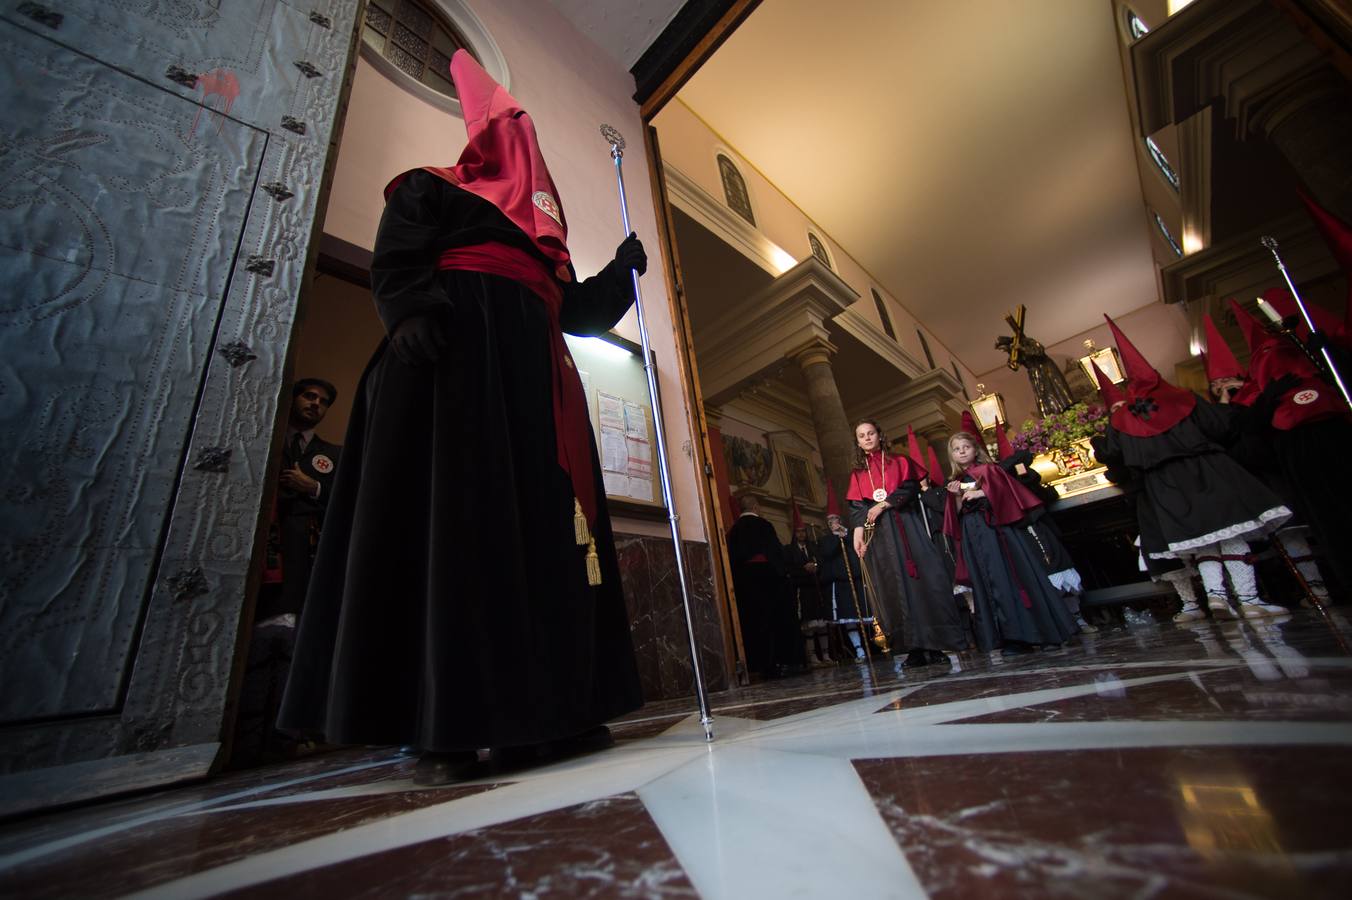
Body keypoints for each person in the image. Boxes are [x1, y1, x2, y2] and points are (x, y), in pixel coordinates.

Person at [279, 51, 645, 785]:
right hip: (452, 383)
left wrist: (621, 271)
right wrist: (410, 308)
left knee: (537, 548)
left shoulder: (548, 249)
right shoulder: (431, 187)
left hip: (536, 403)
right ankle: (439, 730)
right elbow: (397, 257)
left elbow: (576, 312)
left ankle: (540, 720)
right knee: (450, 533)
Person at [1088, 315, 1290, 621]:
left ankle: (1216, 597)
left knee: (1203, 542)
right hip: (1207, 471)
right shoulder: (1183, 398)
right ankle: (1249, 599)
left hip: (1165, 487)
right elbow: (1221, 426)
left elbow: (1113, 453)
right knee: (1231, 536)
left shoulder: (1122, 420)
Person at [1223, 297, 1351, 598]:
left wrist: (1330, 353)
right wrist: (1268, 399)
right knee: (1331, 522)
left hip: (1337, 436)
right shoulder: (1253, 400)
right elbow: (1250, 434)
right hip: (1299, 453)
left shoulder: (1314, 363)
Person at [943, 432, 1080, 654]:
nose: (962, 451)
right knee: (989, 583)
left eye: (965, 447)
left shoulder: (990, 470)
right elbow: (954, 517)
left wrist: (981, 494)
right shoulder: (954, 482)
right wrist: (957, 496)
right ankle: (1010, 636)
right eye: (957, 449)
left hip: (997, 533)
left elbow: (1005, 496)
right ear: (952, 455)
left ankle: (1040, 632)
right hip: (974, 536)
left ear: (975, 449)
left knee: (1014, 578)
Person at [847, 419, 967, 669]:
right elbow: (857, 507)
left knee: (923, 580)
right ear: (857, 442)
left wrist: (885, 504)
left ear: (879, 435)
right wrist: (858, 534)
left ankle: (935, 645)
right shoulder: (857, 474)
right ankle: (913, 648)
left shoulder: (899, 461)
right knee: (892, 586)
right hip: (878, 537)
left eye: (871, 433)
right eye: (862, 436)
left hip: (905, 527)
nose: (867, 438)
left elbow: (911, 487)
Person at [992, 422, 1097, 634]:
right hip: (1020, 533)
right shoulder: (996, 484)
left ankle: (1077, 617)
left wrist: (1019, 470)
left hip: (1039, 527)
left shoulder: (1026, 479)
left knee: (1059, 568)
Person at [258, 378, 342, 624]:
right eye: (309, 396)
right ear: (293, 398)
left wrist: (313, 487)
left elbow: (345, 502)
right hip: (266, 547)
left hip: (306, 553)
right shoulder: (266, 441)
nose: (316, 404)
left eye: (323, 402)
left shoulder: (334, 454)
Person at [727, 493, 799, 678]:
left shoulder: (733, 531)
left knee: (754, 623)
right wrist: (783, 574)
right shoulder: (764, 525)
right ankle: (783, 661)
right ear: (756, 508)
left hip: (746, 583)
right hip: (769, 579)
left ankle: (760, 665)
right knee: (776, 620)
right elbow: (775, 552)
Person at [818, 500, 871, 660]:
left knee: (866, 614)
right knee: (848, 618)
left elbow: (857, 546)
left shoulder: (851, 534)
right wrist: (836, 536)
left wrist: (845, 534)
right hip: (841, 585)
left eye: (834, 519)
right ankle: (858, 649)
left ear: (840, 520)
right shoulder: (826, 540)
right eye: (829, 521)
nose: (832, 523)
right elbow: (827, 553)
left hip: (856, 580)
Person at [785, 519, 832, 667]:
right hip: (803, 590)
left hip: (817, 588)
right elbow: (789, 569)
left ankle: (826, 655)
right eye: (798, 531)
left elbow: (822, 562)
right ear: (794, 533)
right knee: (809, 625)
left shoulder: (813, 547)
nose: (801, 534)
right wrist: (804, 568)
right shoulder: (789, 550)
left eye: (803, 531)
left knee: (821, 624)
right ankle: (812, 657)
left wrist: (816, 566)